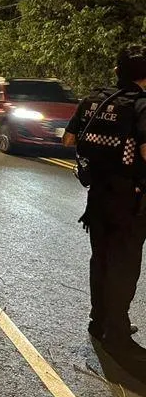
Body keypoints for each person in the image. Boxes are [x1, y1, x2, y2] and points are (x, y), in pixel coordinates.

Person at [63, 44, 146, 361]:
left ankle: (98, 322)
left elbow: (68, 140)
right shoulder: (140, 106)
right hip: (130, 201)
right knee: (124, 265)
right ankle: (118, 331)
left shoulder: (94, 100)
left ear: (116, 71)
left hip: (96, 197)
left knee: (100, 259)